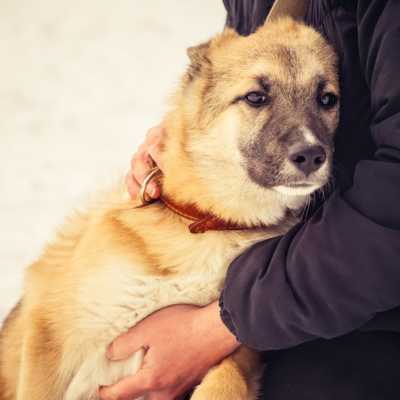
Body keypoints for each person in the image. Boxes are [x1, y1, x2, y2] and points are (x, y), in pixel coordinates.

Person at [99, 1, 400, 399]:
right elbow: (234, 69)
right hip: (290, 273)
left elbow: (390, 217)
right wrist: (181, 134)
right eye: (259, 100)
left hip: (370, 304)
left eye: (326, 101)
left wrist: (215, 327)